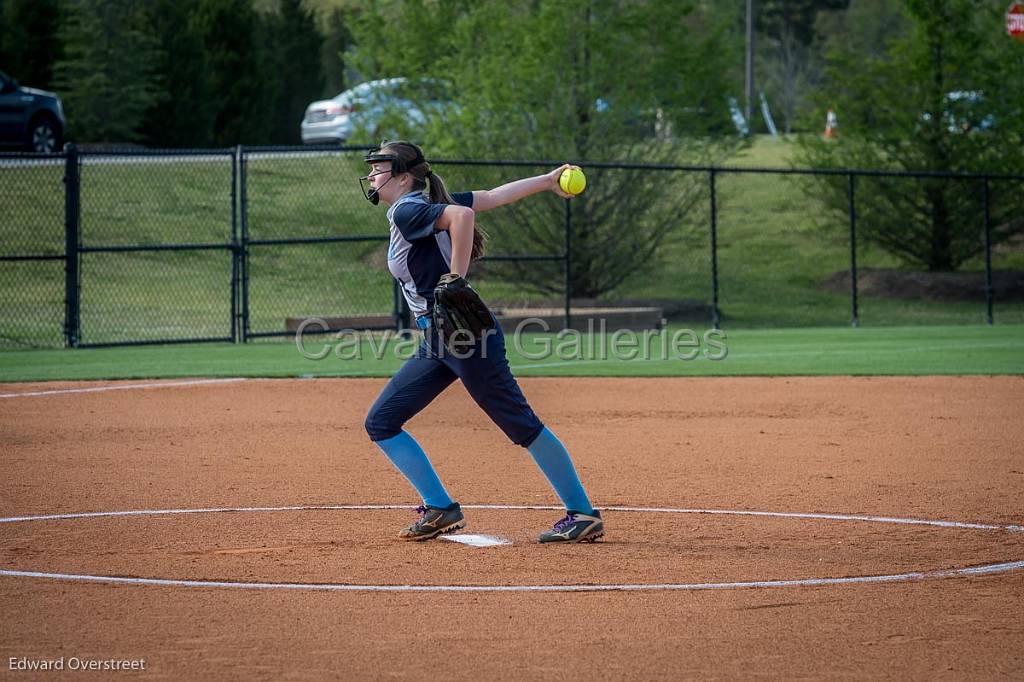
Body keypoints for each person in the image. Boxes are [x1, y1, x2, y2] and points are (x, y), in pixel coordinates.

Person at [359, 140, 603, 544]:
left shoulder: (407, 209)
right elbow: (490, 197)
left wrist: (455, 277)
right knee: (382, 422)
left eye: (379, 167)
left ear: (403, 177)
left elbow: (464, 215)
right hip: (440, 337)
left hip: (464, 338)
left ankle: (582, 513)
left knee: (522, 425)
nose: (371, 174)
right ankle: (440, 508)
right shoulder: (419, 202)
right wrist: (546, 181)